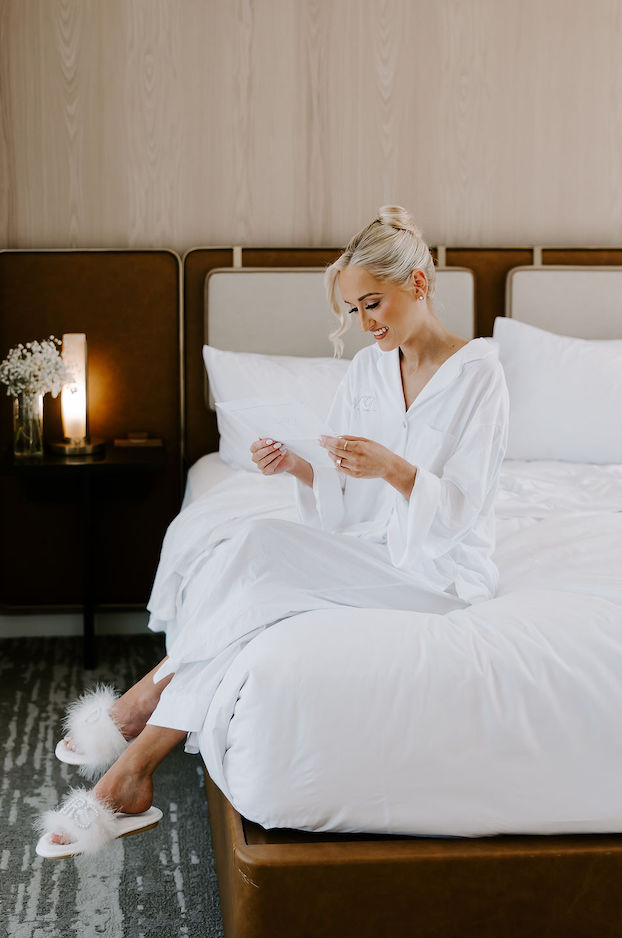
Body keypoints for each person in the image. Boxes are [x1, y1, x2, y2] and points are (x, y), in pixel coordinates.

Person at [36, 206, 509, 858]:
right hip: (373, 548)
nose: (366, 324)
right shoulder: (370, 369)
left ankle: (141, 710)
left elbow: (466, 508)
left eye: (373, 304)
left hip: (443, 570)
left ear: (419, 284)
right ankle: (128, 777)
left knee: (260, 557)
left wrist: (396, 468)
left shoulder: (479, 373)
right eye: (354, 311)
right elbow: (347, 499)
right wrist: (301, 467)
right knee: (254, 574)